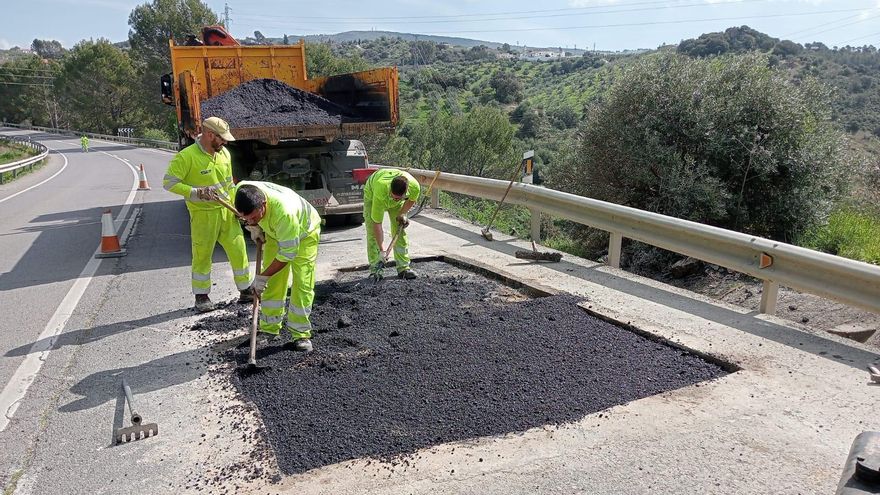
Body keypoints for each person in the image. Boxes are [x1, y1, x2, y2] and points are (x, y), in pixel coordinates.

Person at [163, 116, 252, 313]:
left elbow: (229, 184)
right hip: (203, 215)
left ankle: (245, 290)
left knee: (239, 250)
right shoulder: (186, 157)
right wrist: (196, 192)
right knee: (202, 256)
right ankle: (202, 297)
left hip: (227, 212)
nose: (225, 142)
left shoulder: (224, 154)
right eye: (222, 138)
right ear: (210, 135)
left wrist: (237, 206)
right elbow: (169, 183)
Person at [234, 181, 321, 352]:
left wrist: (262, 277)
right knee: (273, 282)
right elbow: (246, 213)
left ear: (263, 205)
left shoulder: (284, 213)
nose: (250, 220)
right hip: (274, 232)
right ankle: (269, 329)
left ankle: (301, 333)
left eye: (253, 216)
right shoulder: (242, 190)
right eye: (246, 218)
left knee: (302, 283)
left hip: (305, 232)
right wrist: (254, 226)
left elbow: (288, 254)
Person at [363, 168, 420, 281]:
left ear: (406, 192)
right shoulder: (381, 190)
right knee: (372, 234)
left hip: (396, 200)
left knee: (399, 230)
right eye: (393, 196)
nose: (395, 199)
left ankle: (403, 268)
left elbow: (412, 200)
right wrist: (382, 250)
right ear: (390, 190)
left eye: (398, 198)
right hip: (372, 195)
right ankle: (375, 270)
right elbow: (377, 224)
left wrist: (402, 214)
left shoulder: (414, 186)